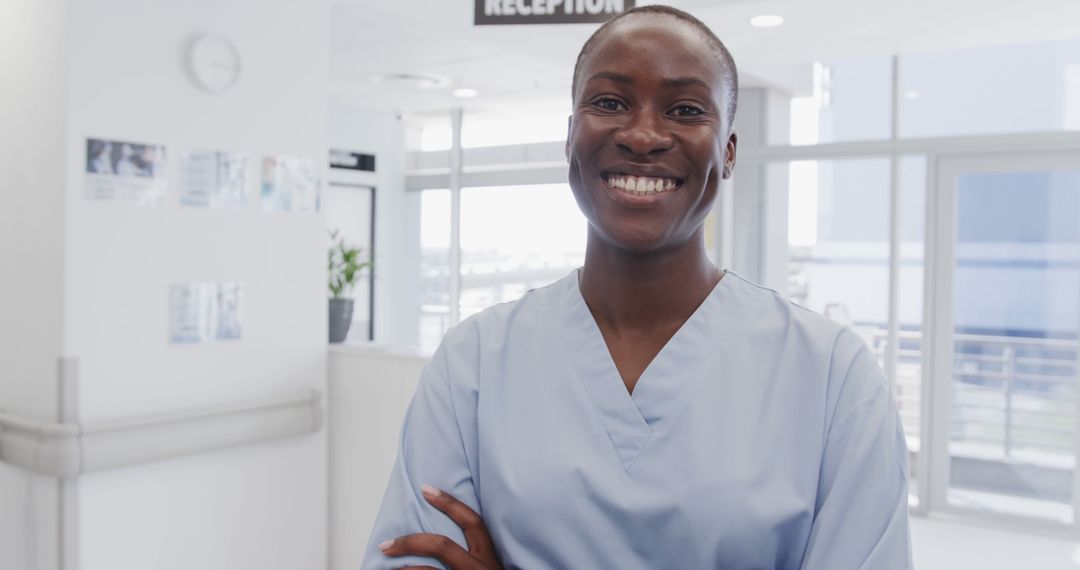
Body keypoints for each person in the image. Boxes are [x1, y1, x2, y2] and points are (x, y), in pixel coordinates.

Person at [364, 5, 912, 569]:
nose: (644, 134)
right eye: (609, 102)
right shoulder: (473, 363)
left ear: (727, 152)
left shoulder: (831, 374)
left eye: (686, 109)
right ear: (571, 135)